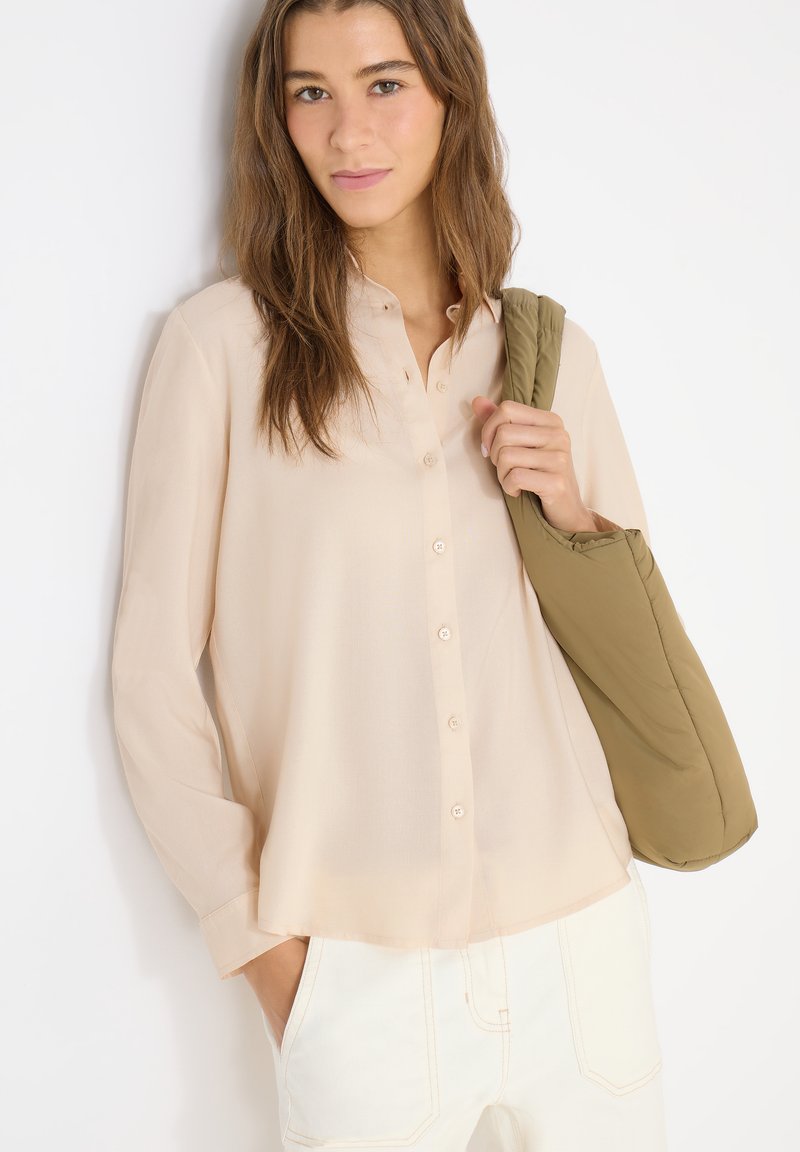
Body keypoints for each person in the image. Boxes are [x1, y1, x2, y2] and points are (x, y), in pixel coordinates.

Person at [111, 1, 669, 1148]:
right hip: (354, 983)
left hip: (580, 952)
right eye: (309, 92)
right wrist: (270, 956)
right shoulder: (219, 351)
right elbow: (150, 682)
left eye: (383, 84)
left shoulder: (549, 357)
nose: (346, 132)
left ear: (449, 94)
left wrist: (569, 511)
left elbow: (631, 659)